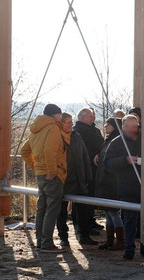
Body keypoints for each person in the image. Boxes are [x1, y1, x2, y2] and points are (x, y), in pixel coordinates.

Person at [20, 104, 67, 252]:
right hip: (52, 174)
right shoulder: (53, 128)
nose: (62, 117)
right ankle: (47, 243)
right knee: (52, 209)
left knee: (42, 208)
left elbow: (24, 151)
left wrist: (35, 167)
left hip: (41, 173)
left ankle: (40, 241)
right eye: (60, 114)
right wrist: (52, 171)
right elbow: (50, 150)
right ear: (56, 115)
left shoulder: (36, 129)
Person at [104, 115, 144, 260]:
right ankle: (129, 249)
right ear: (123, 127)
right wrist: (125, 160)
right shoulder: (117, 143)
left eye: (136, 126)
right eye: (130, 127)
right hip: (127, 186)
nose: (134, 130)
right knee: (129, 220)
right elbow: (108, 164)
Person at [56, 112, 96, 247]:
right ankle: (63, 236)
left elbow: (84, 156)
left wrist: (88, 175)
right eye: (69, 122)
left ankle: (84, 235)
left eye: (72, 122)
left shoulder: (76, 136)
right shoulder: (55, 137)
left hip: (78, 179)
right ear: (61, 124)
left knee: (83, 209)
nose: (72, 124)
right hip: (62, 180)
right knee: (61, 210)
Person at [94, 117, 125, 250]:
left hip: (111, 181)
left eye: (108, 124)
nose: (105, 126)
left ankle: (119, 242)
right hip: (105, 180)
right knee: (108, 212)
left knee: (113, 212)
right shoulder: (110, 140)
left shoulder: (117, 141)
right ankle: (110, 240)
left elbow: (114, 162)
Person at [75, 107, 105, 232]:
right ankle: (83, 225)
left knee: (91, 194)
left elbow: (100, 145)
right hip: (85, 168)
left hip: (94, 167)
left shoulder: (93, 130)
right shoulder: (79, 131)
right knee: (84, 197)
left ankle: (90, 221)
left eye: (93, 115)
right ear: (82, 117)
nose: (92, 117)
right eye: (89, 116)